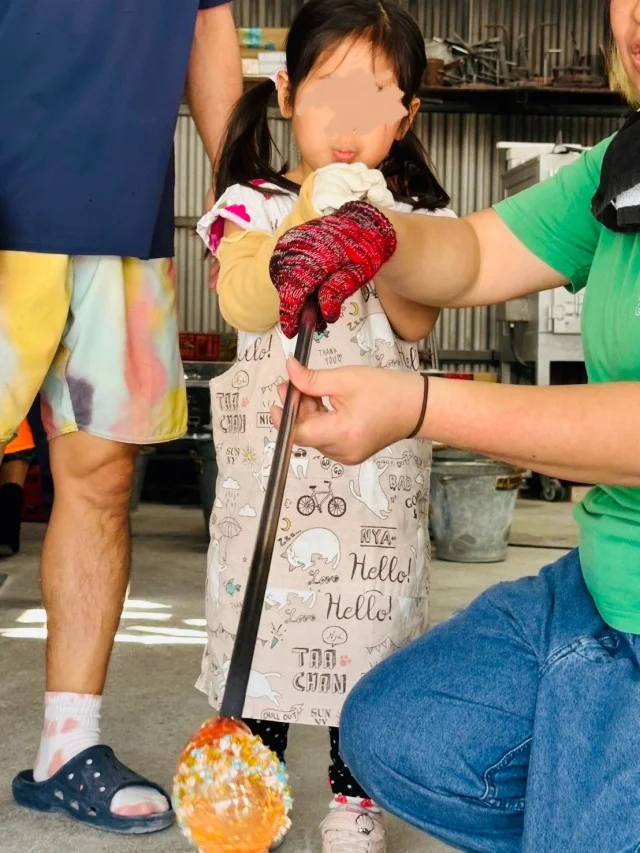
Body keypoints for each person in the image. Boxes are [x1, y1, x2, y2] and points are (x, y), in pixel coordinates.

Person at [265, 2, 640, 850]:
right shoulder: (627, 160)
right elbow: (471, 254)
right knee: (397, 733)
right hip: (603, 583)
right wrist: (374, 234)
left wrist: (420, 407)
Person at [195, 2, 454, 849]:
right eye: (328, 92)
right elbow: (244, 299)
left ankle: (355, 803)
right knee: (262, 649)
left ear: (406, 117)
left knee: (367, 650)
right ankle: (248, 801)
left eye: (376, 97)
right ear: (285, 94)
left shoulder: (418, 217)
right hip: (266, 505)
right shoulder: (251, 206)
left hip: (373, 502)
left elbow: (414, 323)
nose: (348, 123)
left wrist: (382, 231)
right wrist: (314, 212)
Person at [2, 0, 242, 834]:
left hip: (121, 212)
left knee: (102, 474)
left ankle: (68, 746)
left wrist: (235, 186)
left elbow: (210, 25)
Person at [0, 420, 35, 558]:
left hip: (16, 435)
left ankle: (6, 539)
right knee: (12, 485)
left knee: (11, 487)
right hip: (19, 434)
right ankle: (7, 539)